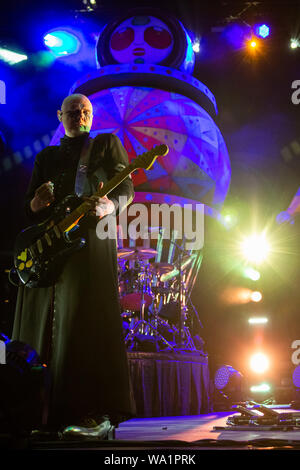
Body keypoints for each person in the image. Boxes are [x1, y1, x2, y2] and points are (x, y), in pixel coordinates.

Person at [12, 93, 136, 439]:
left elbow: (126, 186)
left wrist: (111, 207)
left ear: (91, 116)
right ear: (59, 115)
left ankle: (95, 414)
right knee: (41, 322)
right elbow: (28, 206)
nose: (80, 115)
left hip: (89, 245)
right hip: (48, 249)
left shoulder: (105, 145)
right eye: (73, 111)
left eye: (85, 111)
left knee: (86, 320)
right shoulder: (47, 156)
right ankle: (40, 411)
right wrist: (36, 204)